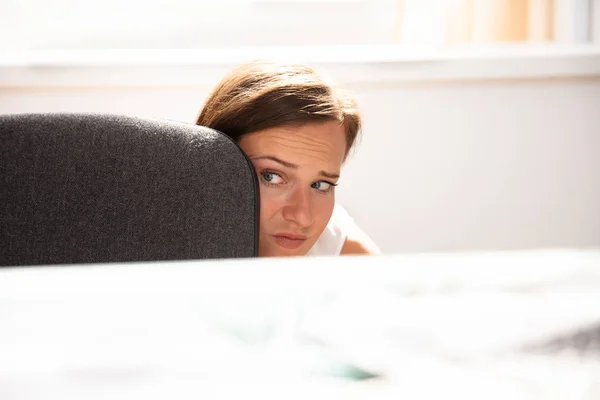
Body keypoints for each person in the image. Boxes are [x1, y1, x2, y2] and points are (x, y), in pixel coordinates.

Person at [196, 60, 380, 257]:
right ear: (213, 162)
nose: (302, 217)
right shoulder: (165, 238)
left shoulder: (348, 260)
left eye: (320, 184)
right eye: (271, 177)